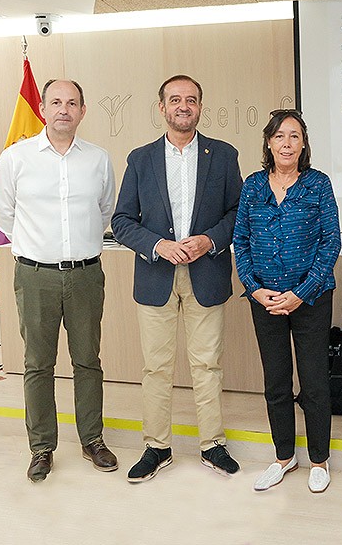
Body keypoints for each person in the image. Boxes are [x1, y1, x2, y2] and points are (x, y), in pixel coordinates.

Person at [111, 74, 242, 482]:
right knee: (156, 368)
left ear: (200, 107)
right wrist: (158, 246)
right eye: (175, 99)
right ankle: (157, 446)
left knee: (207, 365)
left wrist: (209, 240)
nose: (183, 106)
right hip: (156, 276)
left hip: (206, 272)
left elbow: (238, 214)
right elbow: (121, 222)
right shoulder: (140, 158)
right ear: (161, 107)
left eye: (191, 99)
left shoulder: (223, 155)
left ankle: (212, 445)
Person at [0, 79, 118, 482]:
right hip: (35, 276)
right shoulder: (15, 159)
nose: (64, 109)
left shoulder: (98, 159)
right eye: (56, 102)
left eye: (72, 103)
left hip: (85, 276)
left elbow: (104, 213)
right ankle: (42, 447)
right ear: (43, 108)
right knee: (37, 364)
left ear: (83, 111)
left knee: (88, 360)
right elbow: (4, 216)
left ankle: (92, 439)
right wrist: (40, 248)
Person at [234, 109, 341, 494]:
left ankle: (318, 460)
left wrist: (301, 293)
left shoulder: (318, 185)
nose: (287, 143)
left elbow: (331, 243)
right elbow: (240, 242)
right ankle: (283, 456)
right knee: (276, 382)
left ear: (303, 144)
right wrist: (253, 286)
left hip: (309, 299)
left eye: (294, 136)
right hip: (264, 298)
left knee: (313, 382)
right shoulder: (252, 187)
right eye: (280, 136)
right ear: (268, 142)